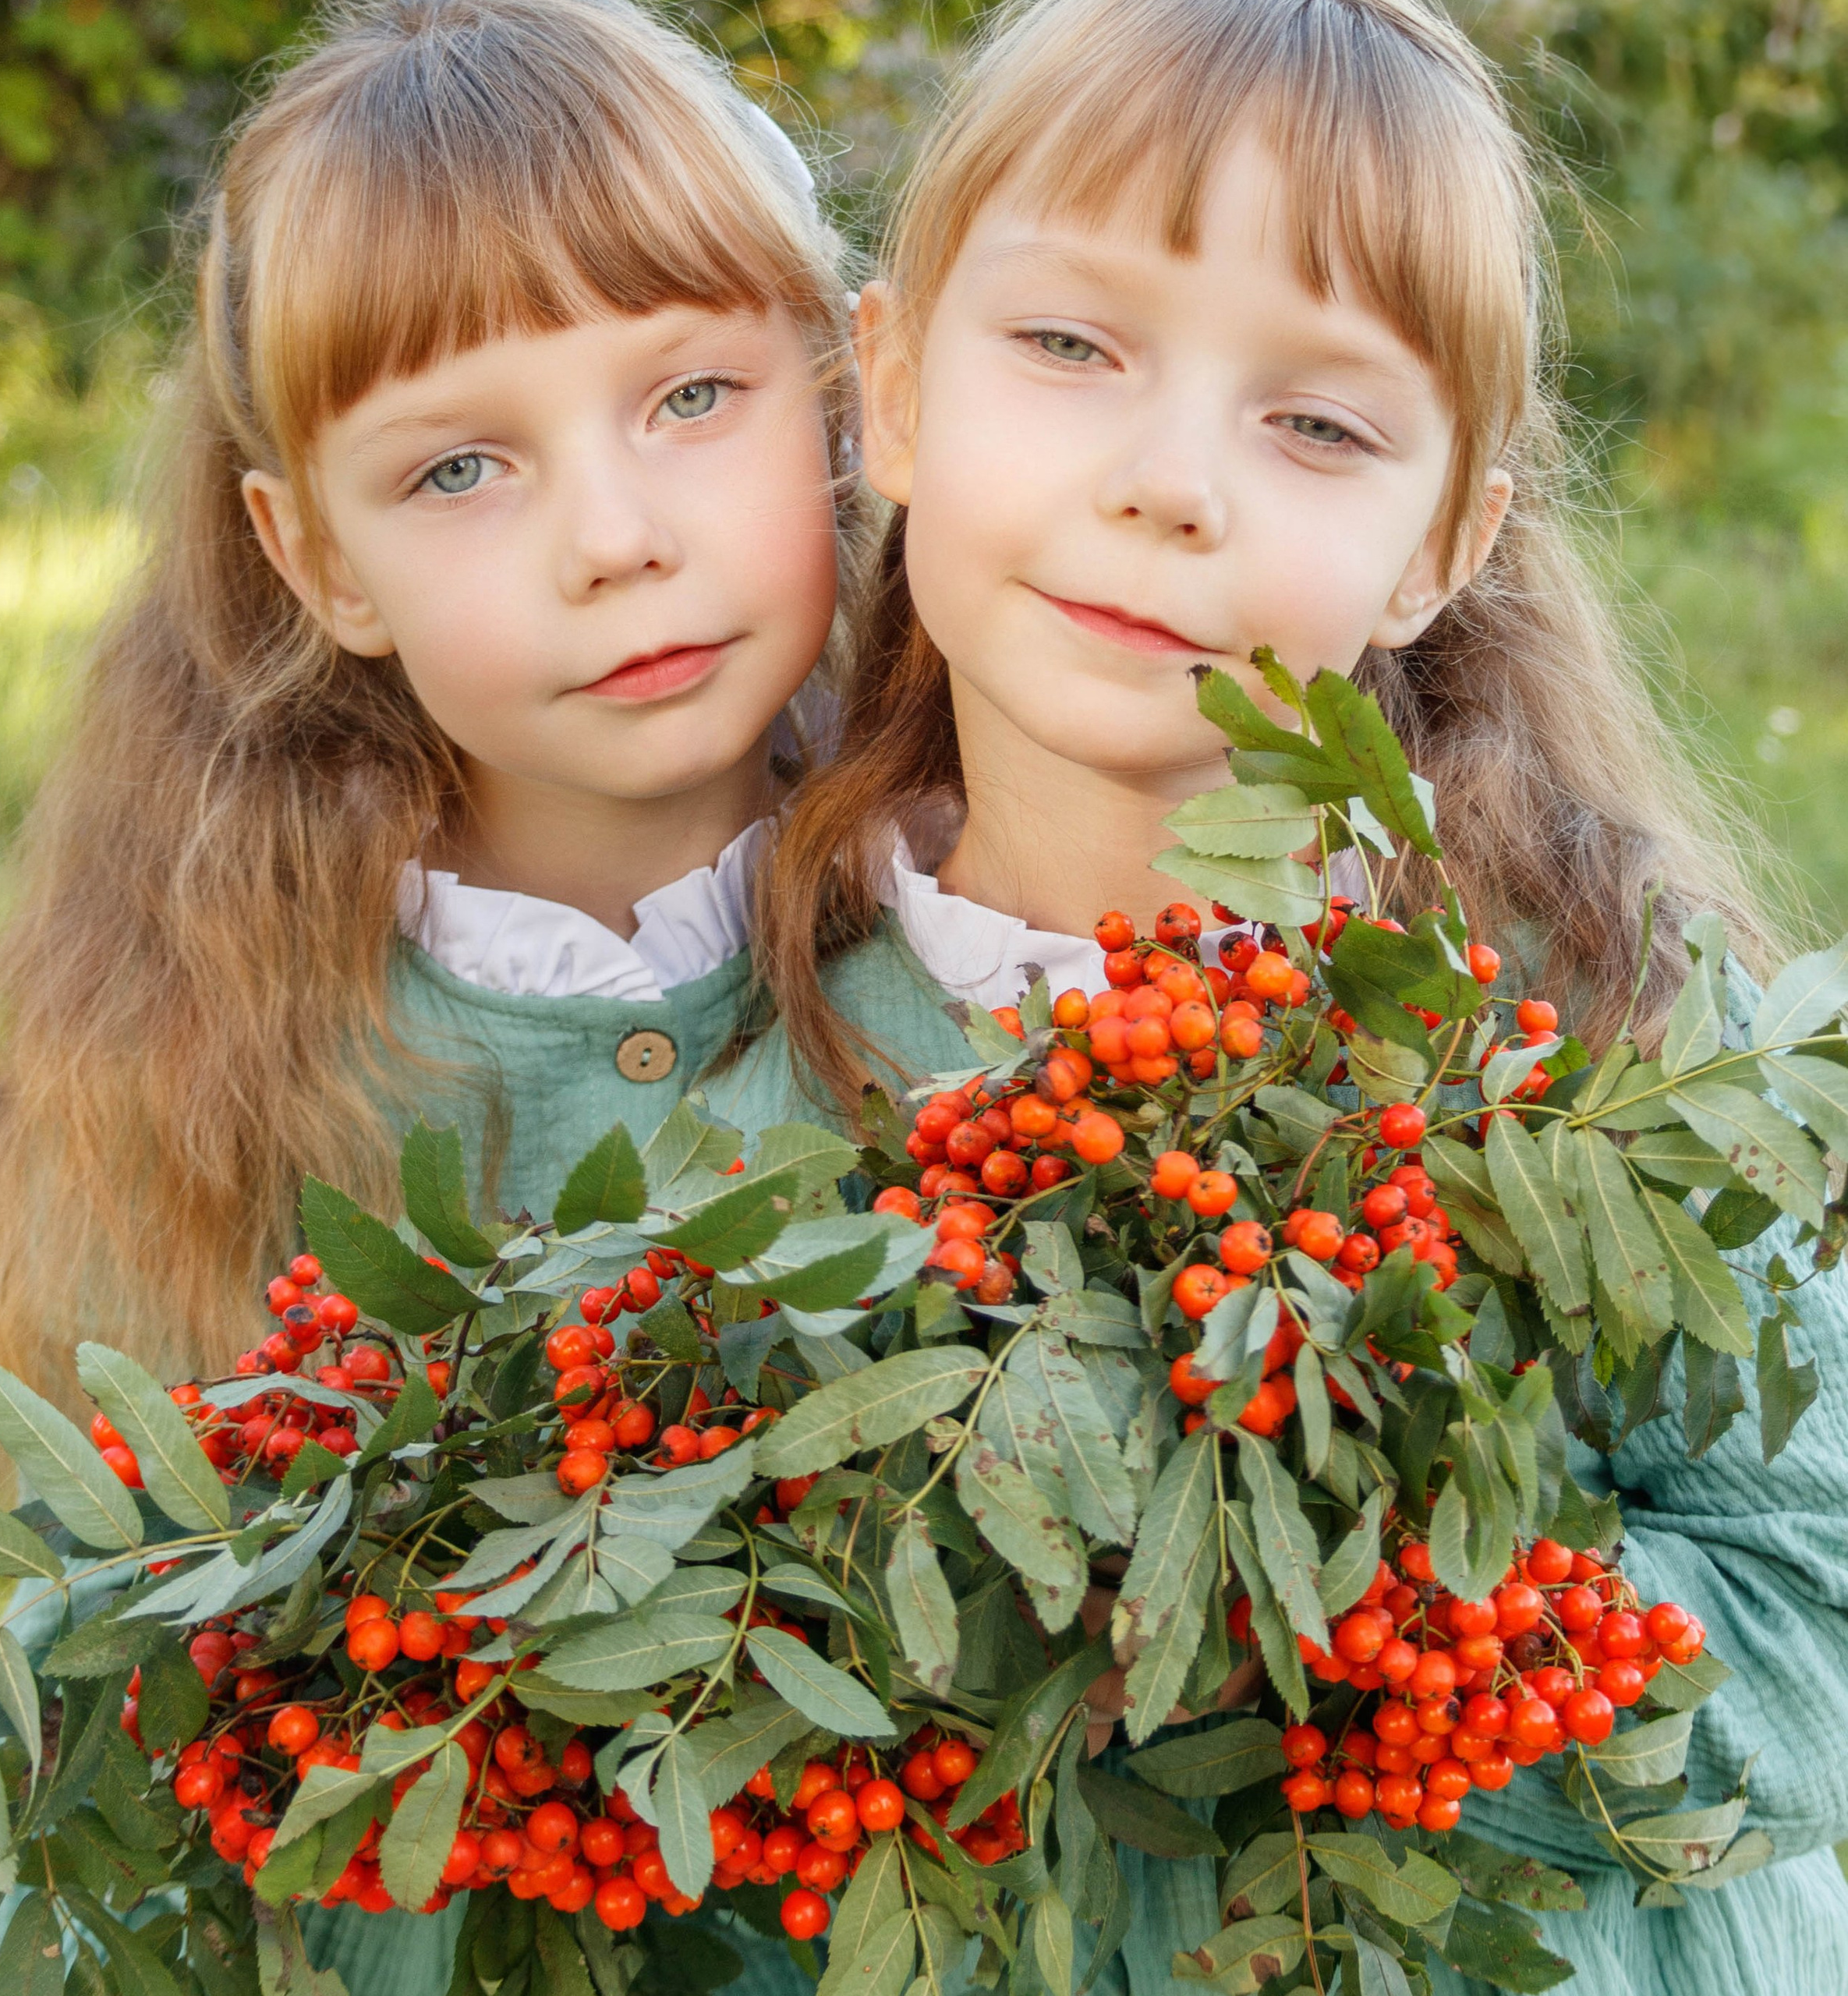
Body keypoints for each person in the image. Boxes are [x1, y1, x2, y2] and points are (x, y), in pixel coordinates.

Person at [730, 0, 1848, 1990]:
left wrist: (1280, 1630)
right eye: (1070, 347)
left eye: (1314, 422)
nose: (1170, 485)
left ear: (1442, 543)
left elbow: (1810, 1614)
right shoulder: (767, 1049)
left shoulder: (1577, 1036)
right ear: (888, 390)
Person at [0, 0, 848, 1987]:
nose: (615, 539)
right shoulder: (190, 1061)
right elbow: (96, 1765)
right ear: (312, 554)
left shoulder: (993, 940)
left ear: (847, 396)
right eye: (457, 469)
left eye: (691, 396)